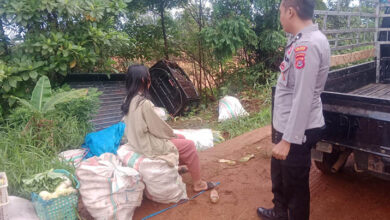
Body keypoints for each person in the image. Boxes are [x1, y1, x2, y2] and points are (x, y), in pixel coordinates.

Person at [257, 0, 330, 220]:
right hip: (288, 125)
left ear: (290, 12)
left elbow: (304, 97)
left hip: (298, 130)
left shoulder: (307, 45)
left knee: (295, 187)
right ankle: (279, 213)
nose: (279, 16)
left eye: (280, 11)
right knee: (279, 174)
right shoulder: (300, 40)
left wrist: (289, 139)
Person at [121, 64, 217, 192]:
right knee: (189, 145)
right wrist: (172, 134)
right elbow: (158, 128)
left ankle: (176, 167)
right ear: (144, 80)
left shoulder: (128, 100)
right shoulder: (144, 103)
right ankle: (198, 184)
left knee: (181, 138)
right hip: (147, 144)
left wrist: (174, 135)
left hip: (137, 141)